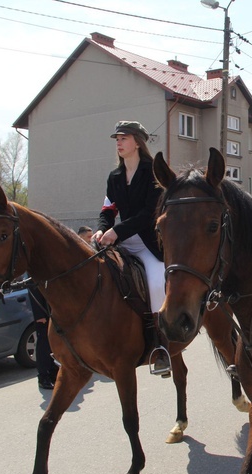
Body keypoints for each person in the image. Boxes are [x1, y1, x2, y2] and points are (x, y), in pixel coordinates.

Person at [93, 120, 170, 376]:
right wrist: (103, 229)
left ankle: (161, 346)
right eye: (117, 138)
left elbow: (150, 212)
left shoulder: (152, 172)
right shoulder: (114, 177)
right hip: (121, 241)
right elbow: (108, 209)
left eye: (123, 138)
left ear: (137, 141)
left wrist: (118, 230)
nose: (118, 142)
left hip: (148, 242)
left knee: (157, 282)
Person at [28, 285, 59, 390]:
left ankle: (52, 370)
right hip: (42, 315)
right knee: (43, 344)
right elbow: (33, 293)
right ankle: (43, 377)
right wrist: (39, 316)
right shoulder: (34, 274)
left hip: (49, 312)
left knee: (50, 344)